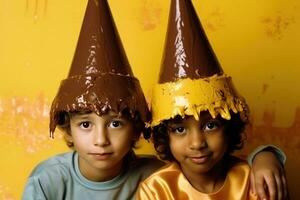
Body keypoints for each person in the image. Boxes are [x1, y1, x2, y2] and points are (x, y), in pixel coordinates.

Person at [22, 0, 286, 199]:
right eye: (85, 125)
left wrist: (265, 156)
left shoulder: (156, 173)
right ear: (67, 128)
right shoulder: (49, 181)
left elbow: (209, 168)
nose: (100, 140)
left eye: (115, 124)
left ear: (139, 126)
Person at [136, 0, 288, 199]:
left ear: (229, 127)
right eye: (180, 129)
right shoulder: (156, 189)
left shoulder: (255, 180)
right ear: (166, 136)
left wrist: (266, 155)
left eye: (211, 126)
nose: (197, 143)